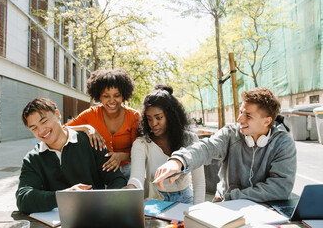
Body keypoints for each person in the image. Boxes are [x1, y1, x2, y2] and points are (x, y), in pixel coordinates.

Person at [153, 87, 297, 203]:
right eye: (241, 112)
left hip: (263, 208)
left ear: (267, 121)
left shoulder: (283, 143)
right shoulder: (230, 133)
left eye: (248, 115)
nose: (239, 119)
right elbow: (206, 147)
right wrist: (179, 160)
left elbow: (280, 188)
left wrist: (232, 196)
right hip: (225, 203)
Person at [16, 98, 127, 214]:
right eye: (34, 128)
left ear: (57, 115)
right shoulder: (33, 158)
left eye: (44, 121)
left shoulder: (91, 142)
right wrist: (63, 196)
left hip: (96, 214)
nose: (42, 130)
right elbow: (23, 198)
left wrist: (106, 204)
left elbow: (116, 179)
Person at [125, 85, 205, 204]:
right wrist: (128, 191)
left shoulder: (190, 139)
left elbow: (199, 182)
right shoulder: (141, 144)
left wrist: (198, 211)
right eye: (149, 119)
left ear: (171, 116)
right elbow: (137, 179)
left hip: (186, 199)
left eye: (159, 118)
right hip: (155, 200)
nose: (154, 123)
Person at [64, 69, 140, 180]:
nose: (112, 101)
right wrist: (86, 127)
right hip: (101, 171)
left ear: (123, 95)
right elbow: (61, 130)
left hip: (129, 171)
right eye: (106, 96)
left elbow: (140, 152)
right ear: (99, 96)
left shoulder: (134, 116)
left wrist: (121, 156)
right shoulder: (90, 114)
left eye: (116, 95)